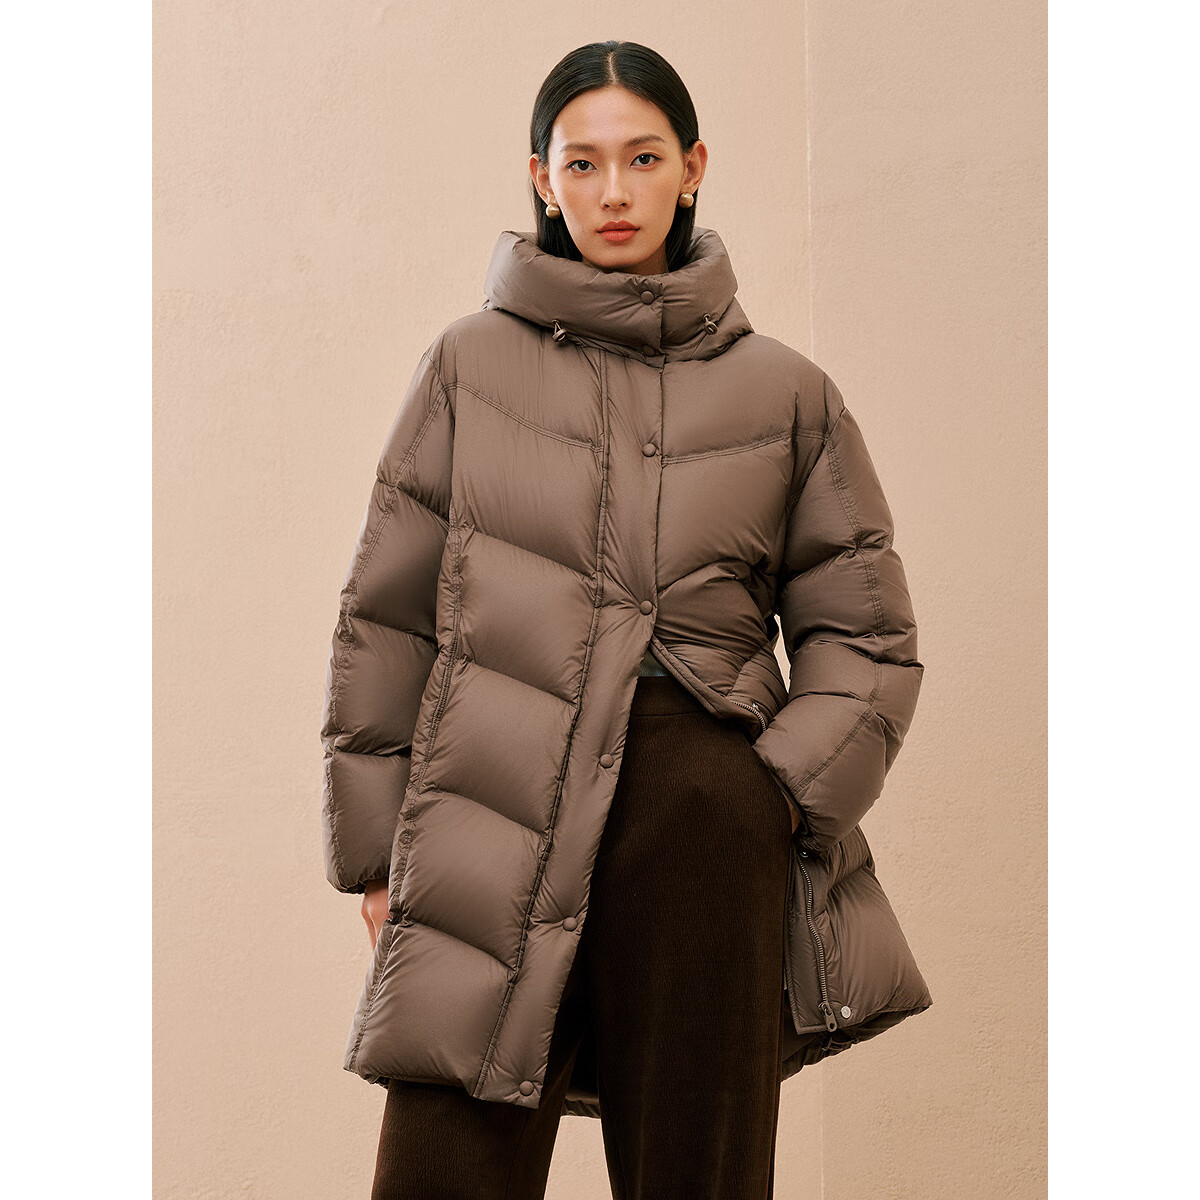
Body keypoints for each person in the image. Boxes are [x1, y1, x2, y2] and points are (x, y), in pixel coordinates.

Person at [319, 39, 932, 1200]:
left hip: (703, 816)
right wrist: (377, 853)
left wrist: (774, 796)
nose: (613, 190)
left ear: (692, 168)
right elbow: (386, 618)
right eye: (583, 162)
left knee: (699, 1171)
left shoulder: (786, 393)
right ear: (542, 180)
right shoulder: (466, 367)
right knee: (444, 1171)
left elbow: (867, 637)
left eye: (643, 158)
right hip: (486, 807)